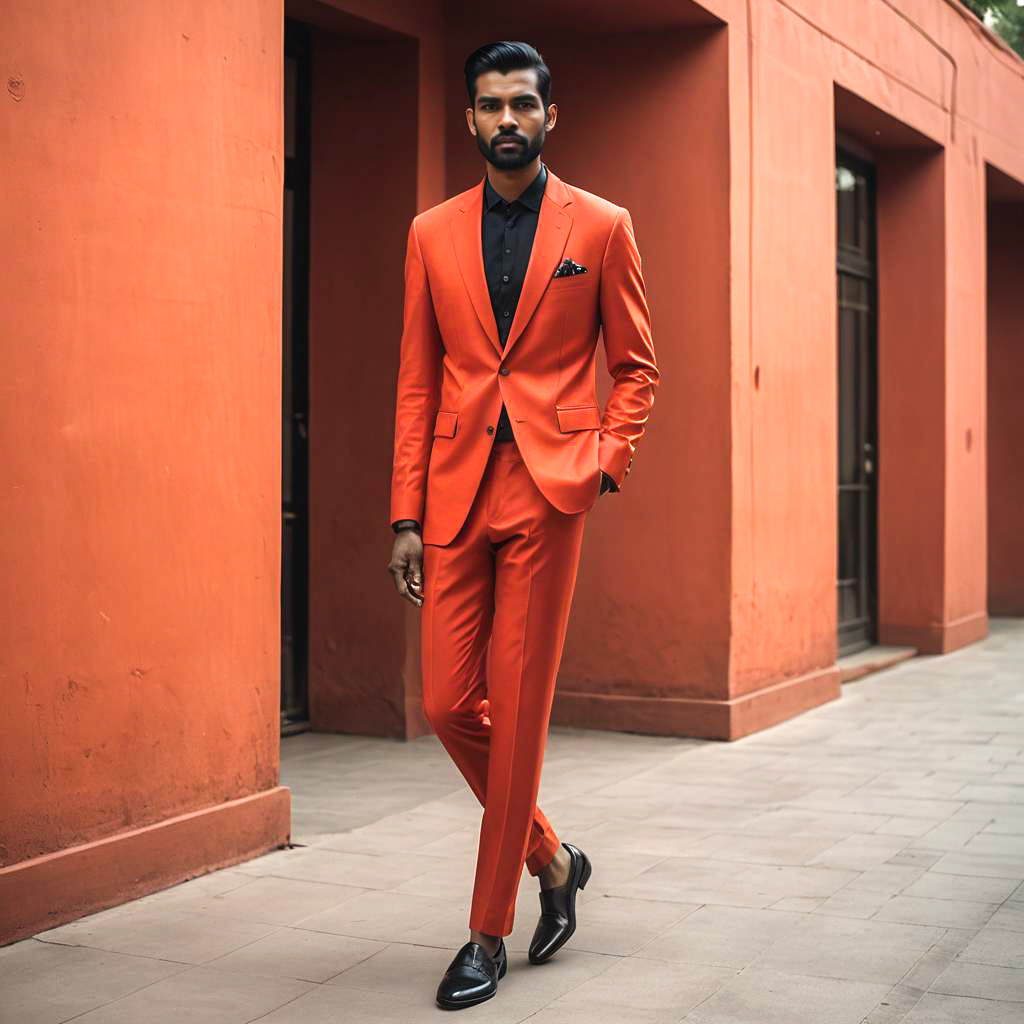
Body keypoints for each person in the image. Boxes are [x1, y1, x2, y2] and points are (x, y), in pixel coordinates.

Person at [387, 39, 660, 1010]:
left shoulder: (603, 225)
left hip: (550, 493)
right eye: (490, 105)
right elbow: (419, 380)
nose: (507, 119)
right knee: (449, 704)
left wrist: (601, 461)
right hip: (455, 493)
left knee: (519, 715)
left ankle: (485, 932)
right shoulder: (430, 232)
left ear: (551, 115)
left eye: (522, 105)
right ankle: (554, 858)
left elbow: (635, 367)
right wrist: (406, 512)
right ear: (468, 118)